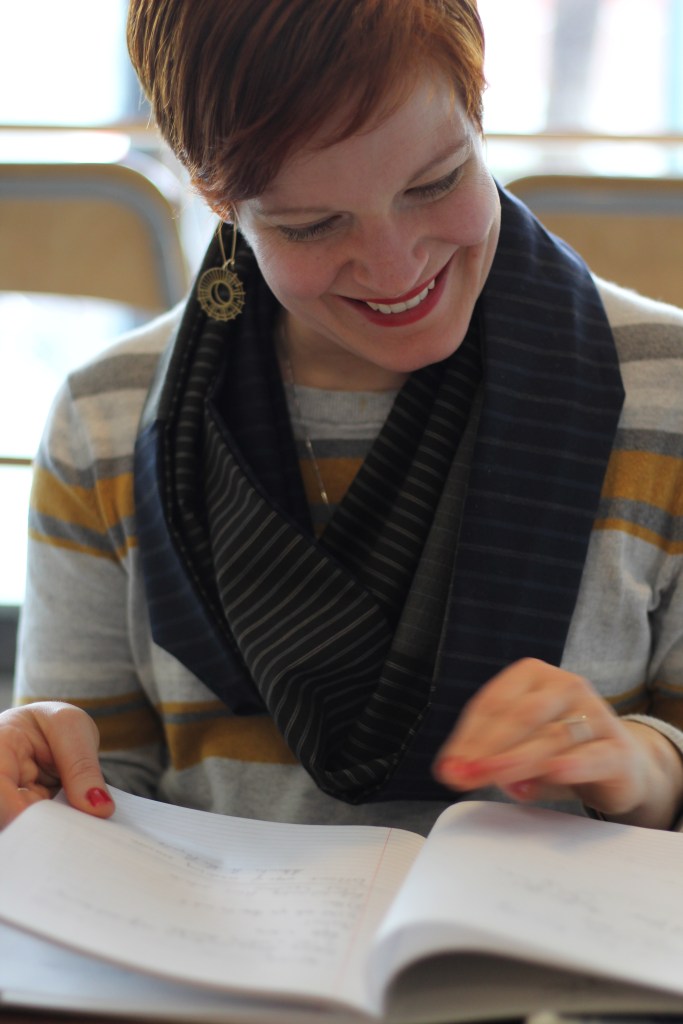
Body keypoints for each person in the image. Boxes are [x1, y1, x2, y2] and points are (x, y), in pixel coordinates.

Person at [2, 0, 683, 835]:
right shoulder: (103, 423)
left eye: (436, 183)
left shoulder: (667, 394)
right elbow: (91, 800)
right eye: (311, 226)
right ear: (220, 202)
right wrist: (37, 781)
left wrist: (644, 765)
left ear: (477, 111)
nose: (395, 269)